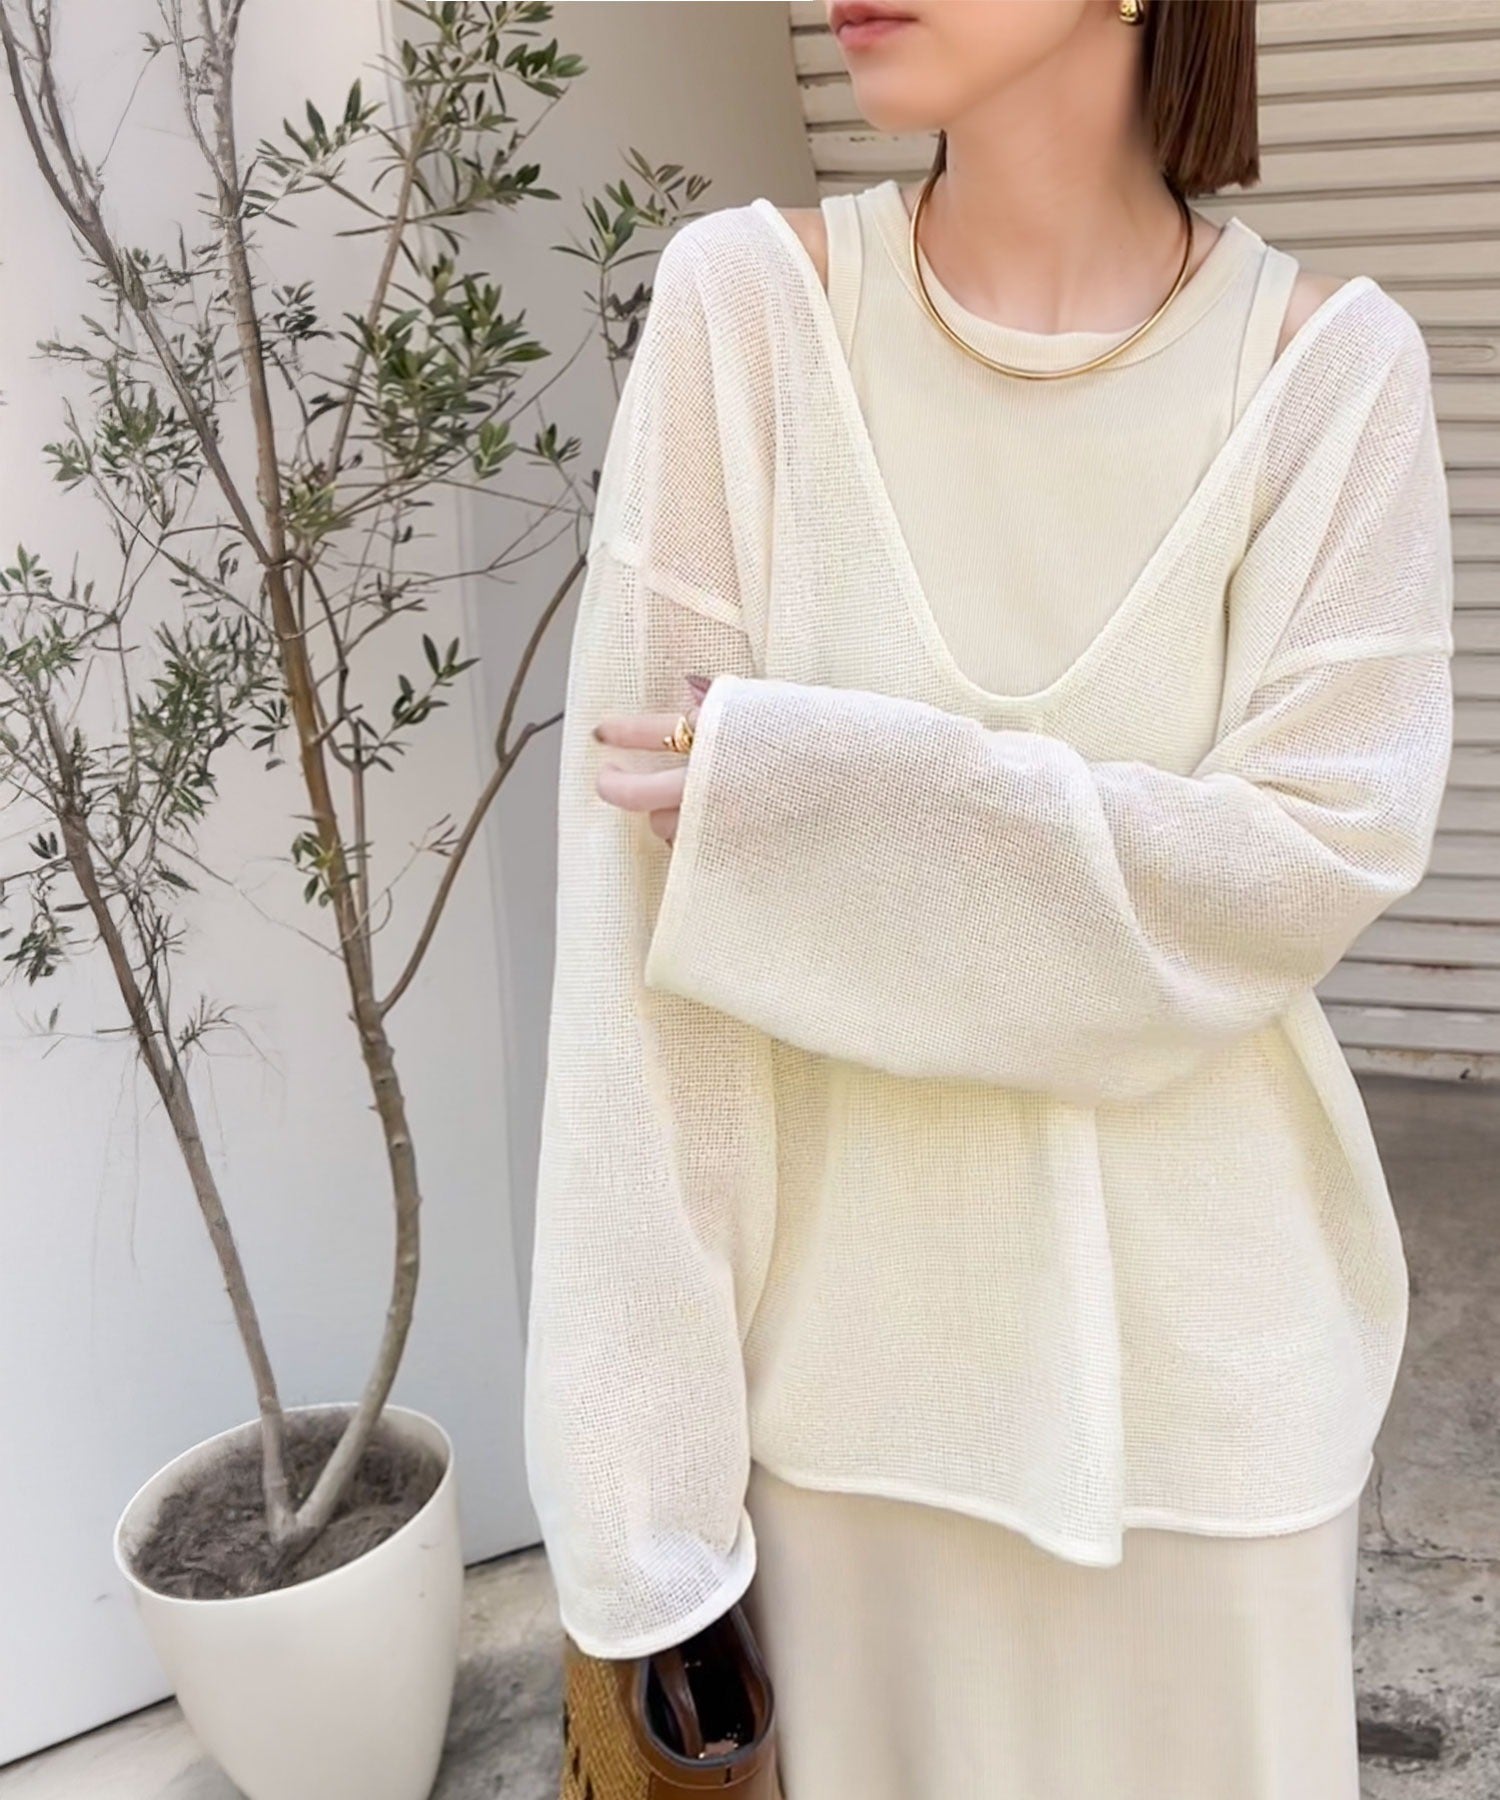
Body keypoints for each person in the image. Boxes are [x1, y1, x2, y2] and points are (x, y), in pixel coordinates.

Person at [524, 2, 1457, 1795]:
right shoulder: (749, 314)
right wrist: (644, 1526)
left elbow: (1295, 868)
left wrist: (810, 806)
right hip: (846, 1410)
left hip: (1225, 1409)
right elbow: (638, 986)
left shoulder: (1334, 371)